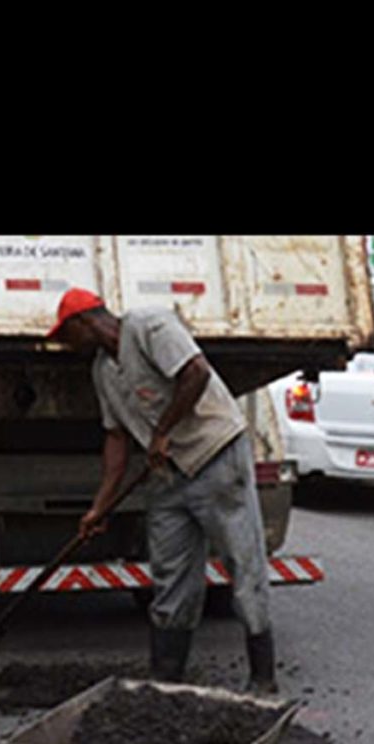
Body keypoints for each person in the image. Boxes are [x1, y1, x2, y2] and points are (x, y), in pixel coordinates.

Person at [52, 288, 278, 693]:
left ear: (84, 322)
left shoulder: (150, 325)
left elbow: (196, 373)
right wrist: (98, 508)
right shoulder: (104, 370)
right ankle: (166, 683)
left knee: (242, 566)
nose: (67, 345)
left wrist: (161, 431)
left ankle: (263, 680)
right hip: (169, 476)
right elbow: (116, 441)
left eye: (67, 335)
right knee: (170, 577)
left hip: (215, 457)